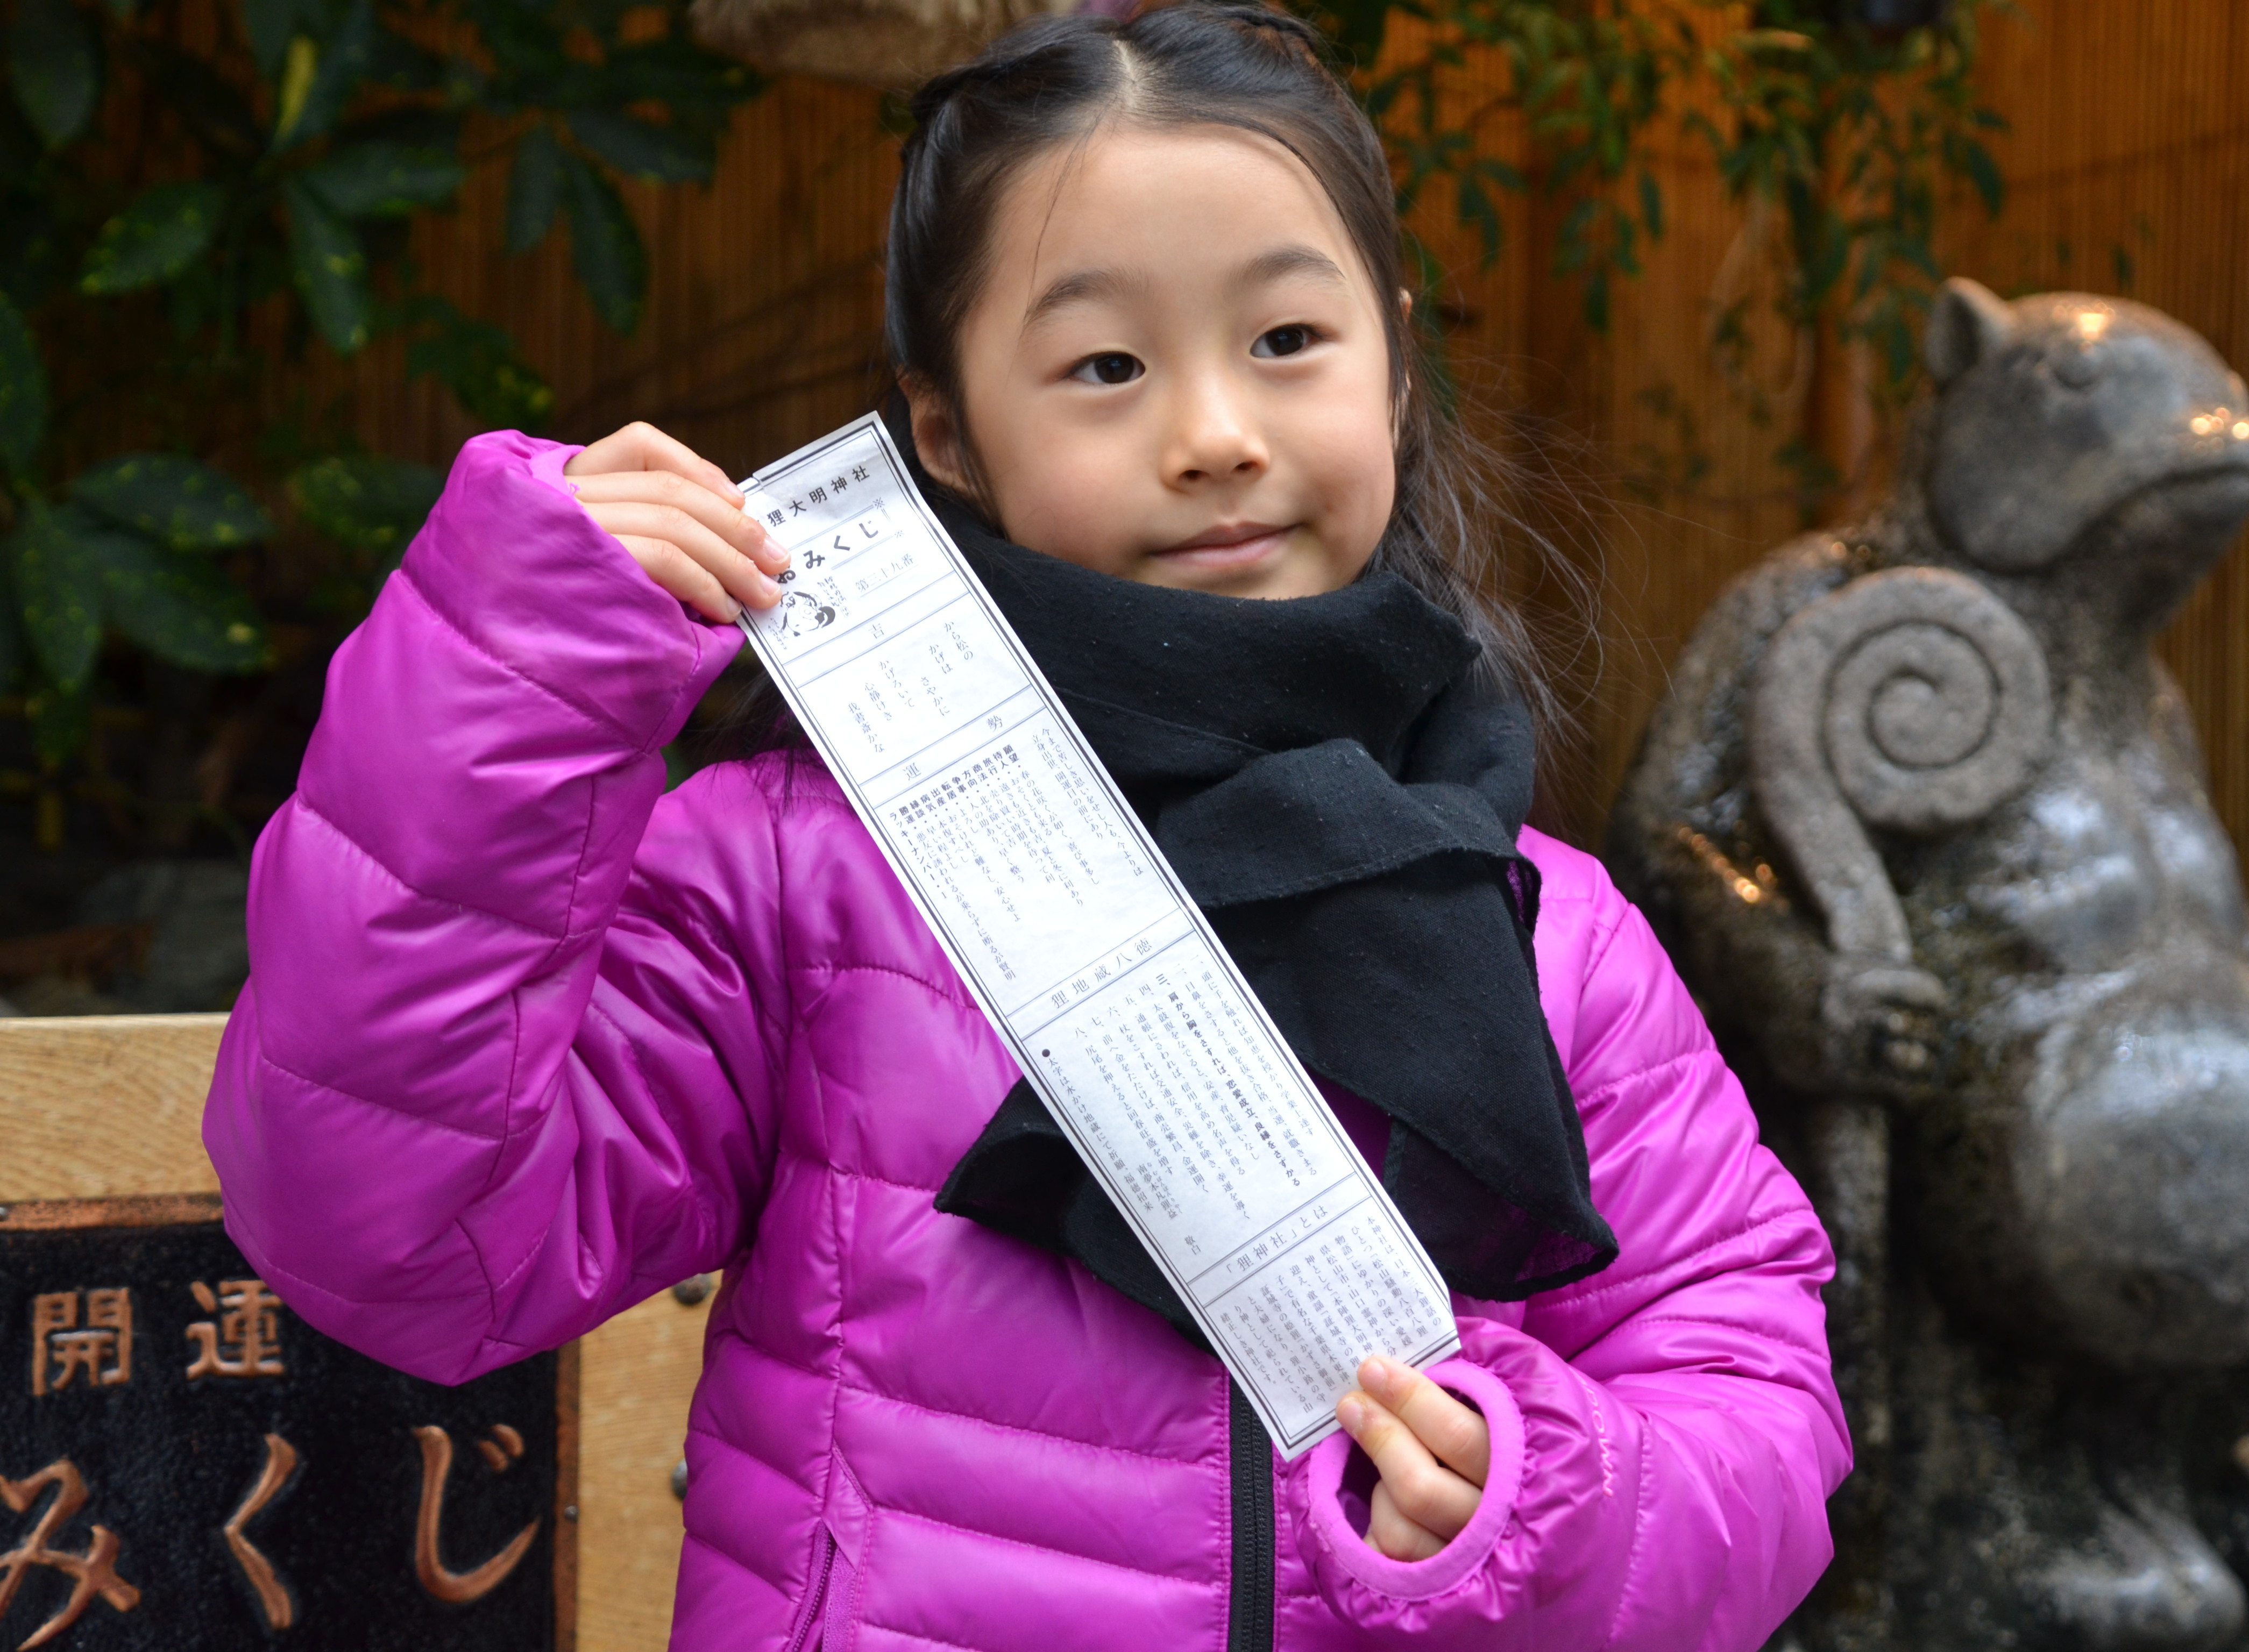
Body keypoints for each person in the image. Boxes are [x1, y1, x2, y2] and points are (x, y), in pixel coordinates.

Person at [202, 5, 1849, 1648]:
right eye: (1106, 368)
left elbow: (1750, 1404)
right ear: (948, 435)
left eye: (1288, 339)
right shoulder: (804, 881)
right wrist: (513, 675)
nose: (1216, 434)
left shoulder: (1554, 933)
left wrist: (1541, 1505)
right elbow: (388, 1233)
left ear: (1399, 363)